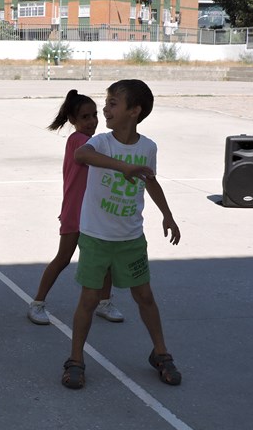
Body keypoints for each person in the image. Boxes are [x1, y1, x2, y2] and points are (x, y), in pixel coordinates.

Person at [62, 79, 182, 390]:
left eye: (113, 103)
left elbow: (150, 181)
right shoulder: (102, 142)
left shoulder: (147, 148)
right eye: (106, 103)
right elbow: (81, 156)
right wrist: (122, 167)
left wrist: (167, 215)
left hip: (131, 239)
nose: (105, 109)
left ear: (134, 111)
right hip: (96, 237)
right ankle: (75, 359)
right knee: (89, 299)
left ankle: (161, 353)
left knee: (145, 297)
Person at [28, 90, 124, 325]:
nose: (92, 121)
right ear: (73, 120)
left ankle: (104, 302)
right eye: (85, 117)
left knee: (105, 260)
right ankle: (37, 303)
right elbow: (104, 153)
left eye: (94, 115)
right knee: (63, 257)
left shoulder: (94, 141)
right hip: (75, 211)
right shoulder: (79, 141)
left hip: (95, 211)